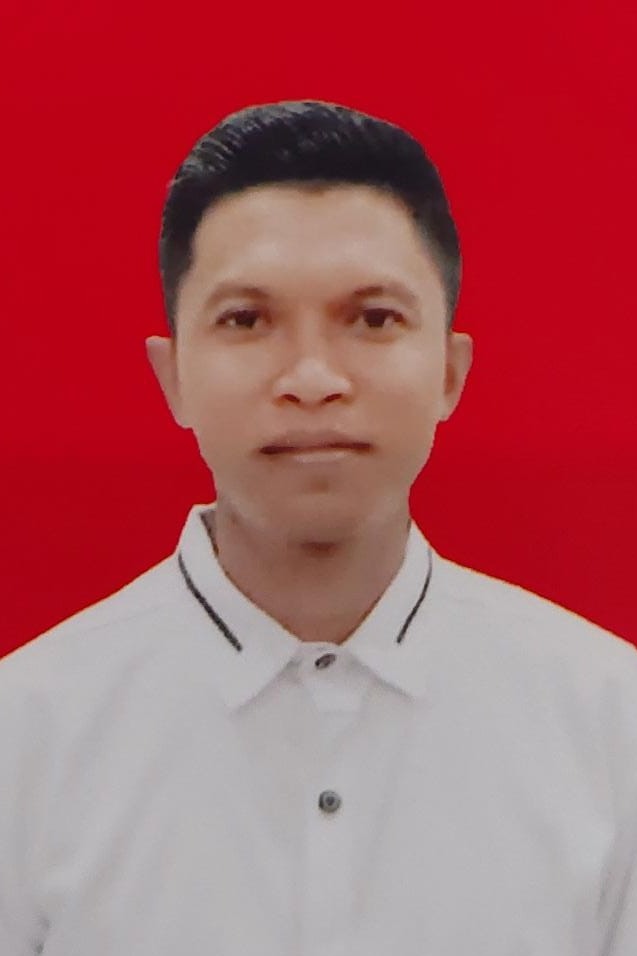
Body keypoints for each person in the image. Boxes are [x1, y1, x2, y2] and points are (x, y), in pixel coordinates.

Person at [1, 100, 635, 956]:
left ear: (449, 372)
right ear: (173, 375)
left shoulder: (609, 726)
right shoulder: (25, 739)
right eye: (246, 320)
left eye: (372, 319)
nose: (311, 377)